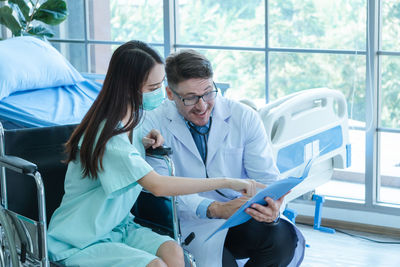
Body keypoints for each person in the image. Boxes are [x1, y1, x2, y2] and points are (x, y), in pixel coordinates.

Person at [46, 41, 262, 267]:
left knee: (173, 252)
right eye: (152, 88)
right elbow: (158, 186)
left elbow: (132, 147)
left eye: (160, 85)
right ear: (129, 89)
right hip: (80, 239)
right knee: (155, 265)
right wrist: (227, 181)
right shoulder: (108, 136)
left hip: (119, 226)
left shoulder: (134, 124)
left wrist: (147, 139)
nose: (161, 93)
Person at [142, 50, 306, 267]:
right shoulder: (152, 123)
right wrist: (214, 208)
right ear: (170, 94)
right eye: (190, 98)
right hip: (191, 222)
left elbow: (267, 180)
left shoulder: (243, 117)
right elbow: (161, 190)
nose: (202, 106)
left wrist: (273, 207)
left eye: (208, 93)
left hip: (240, 216)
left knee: (283, 239)